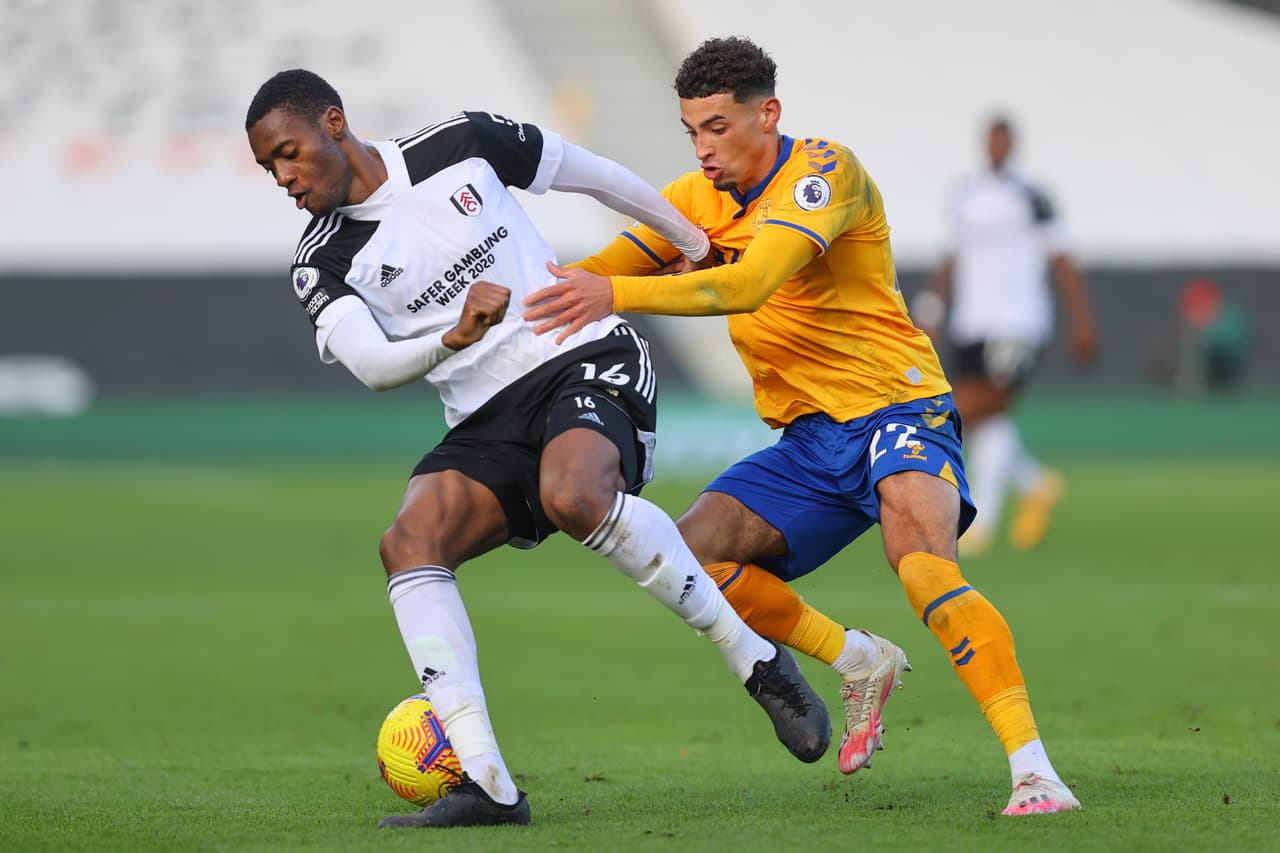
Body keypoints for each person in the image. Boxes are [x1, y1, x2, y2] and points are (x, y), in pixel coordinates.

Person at [244, 68, 830, 830]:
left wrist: (693, 241)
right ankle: (487, 784)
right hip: (486, 417)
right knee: (408, 541)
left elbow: (595, 175)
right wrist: (452, 336)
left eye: (288, 153)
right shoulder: (320, 260)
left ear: (333, 122)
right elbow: (373, 364)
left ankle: (754, 657)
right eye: (269, 168)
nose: (284, 178)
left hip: (580, 353)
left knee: (574, 493)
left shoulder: (461, 141)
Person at [523, 37, 1080, 816]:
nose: (703, 148)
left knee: (923, 568)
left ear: (768, 114)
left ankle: (1034, 770)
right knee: (691, 556)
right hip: (811, 440)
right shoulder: (693, 200)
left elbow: (749, 283)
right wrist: (497, 297)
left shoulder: (823, 174)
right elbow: (589, 273)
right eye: (692, 131)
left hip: (897, 405)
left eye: (718, 127)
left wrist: (617, 295)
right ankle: (857, 658)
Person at [914, 116, 1097, 556]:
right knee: (988, 417)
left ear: (1012, 145)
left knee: (972, 407)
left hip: (1018, 321)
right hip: (971, 321)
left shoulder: (1033, 193)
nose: (996, 148)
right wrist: (933, 306)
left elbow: (1062, 259)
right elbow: (952, 255)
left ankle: (982, 522)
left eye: (1003, 141)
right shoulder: (966, 193)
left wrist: (1082, 322)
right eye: (991, 141)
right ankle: (1035, 484)